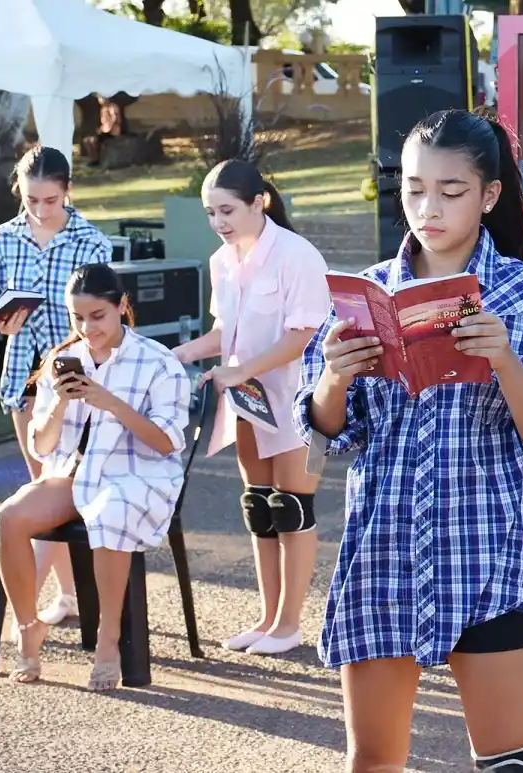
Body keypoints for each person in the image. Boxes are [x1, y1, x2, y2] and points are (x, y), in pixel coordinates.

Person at [293, 108, 523, 773]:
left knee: (507, 762)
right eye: (413, 188)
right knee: (372, 760)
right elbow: (328, 431)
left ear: (489, 195)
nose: (427, 207)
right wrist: (331, 377)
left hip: (484, 556)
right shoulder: (366, 291)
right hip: (382, 554)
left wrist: (506, 362)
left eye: (450, 190)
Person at [0, 262, 191, 690]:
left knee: (110, 510)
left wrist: (111, 402)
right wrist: (61, 405)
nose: (87, 327)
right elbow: (41, 448)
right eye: (77, 317)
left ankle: (108, 638)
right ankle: (29, 627)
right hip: (74, 473)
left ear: (121, 306)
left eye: (97, 316)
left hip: (138, 472)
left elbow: (166, 444)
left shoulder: (159, 362)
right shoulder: (62, 361)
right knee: (10, 517)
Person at [173, 159, 330, 657]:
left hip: (298, 399)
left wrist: (241, 369)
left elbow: (304, 335)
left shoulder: (296, 254)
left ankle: (289, 624)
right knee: (259, 507)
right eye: (210, 213)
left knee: (291, 508)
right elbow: (224, 334)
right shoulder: (222, 261)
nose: (219, 222)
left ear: (259, 202)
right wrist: (178, 354)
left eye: (227, 210)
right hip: (246, 402)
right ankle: (267, 619)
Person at [0, 145, 113, 639]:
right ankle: (69, 595)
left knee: (53, 489)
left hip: (72, 376)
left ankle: (30, 609)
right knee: (39, 481)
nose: (40, 209)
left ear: (69, 190)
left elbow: (101, 317)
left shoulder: (91, 240)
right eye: (32, 199)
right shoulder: (4, 237)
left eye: (51, 199)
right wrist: (4, 319)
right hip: (21, 372)